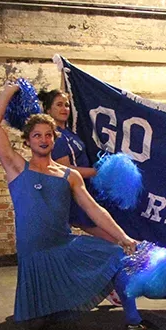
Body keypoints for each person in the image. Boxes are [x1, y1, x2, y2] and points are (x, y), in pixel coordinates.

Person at [0, 82, 166, 330]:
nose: (43, 139)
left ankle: (133, 321)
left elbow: (94, 210)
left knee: (117, 256)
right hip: (34, 256)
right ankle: (50, 306)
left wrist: (123, 238)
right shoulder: (17, 168)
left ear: (54, 139)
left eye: (48, 135)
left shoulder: (70, 176)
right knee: (37, 325)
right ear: (27, 142)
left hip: (63, 246)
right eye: (37, 135)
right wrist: (10, 89)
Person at [39, 89, 114, 242]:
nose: (64, 109)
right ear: (48, 110)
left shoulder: (69, 133)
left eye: (66, 105)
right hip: (73, 196)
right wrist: (98, 172)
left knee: (112, 235)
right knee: (113, 238)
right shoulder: (56, 137)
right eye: (59, 105)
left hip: (84, 191)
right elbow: (66, 170)